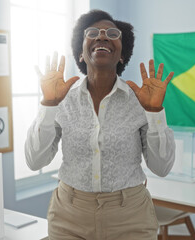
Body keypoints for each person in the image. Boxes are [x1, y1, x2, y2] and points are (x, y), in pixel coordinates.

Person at [25, 9, 175, 240]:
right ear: (81, 53)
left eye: (112, 33)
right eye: (92, 32)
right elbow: (35, 161)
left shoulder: (141, 100)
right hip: (69, 215)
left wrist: (154, 112)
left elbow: (161, 168)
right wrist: (48, 105)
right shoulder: (61, 98)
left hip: (130, 216)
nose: (102, 36)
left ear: (122, 55)